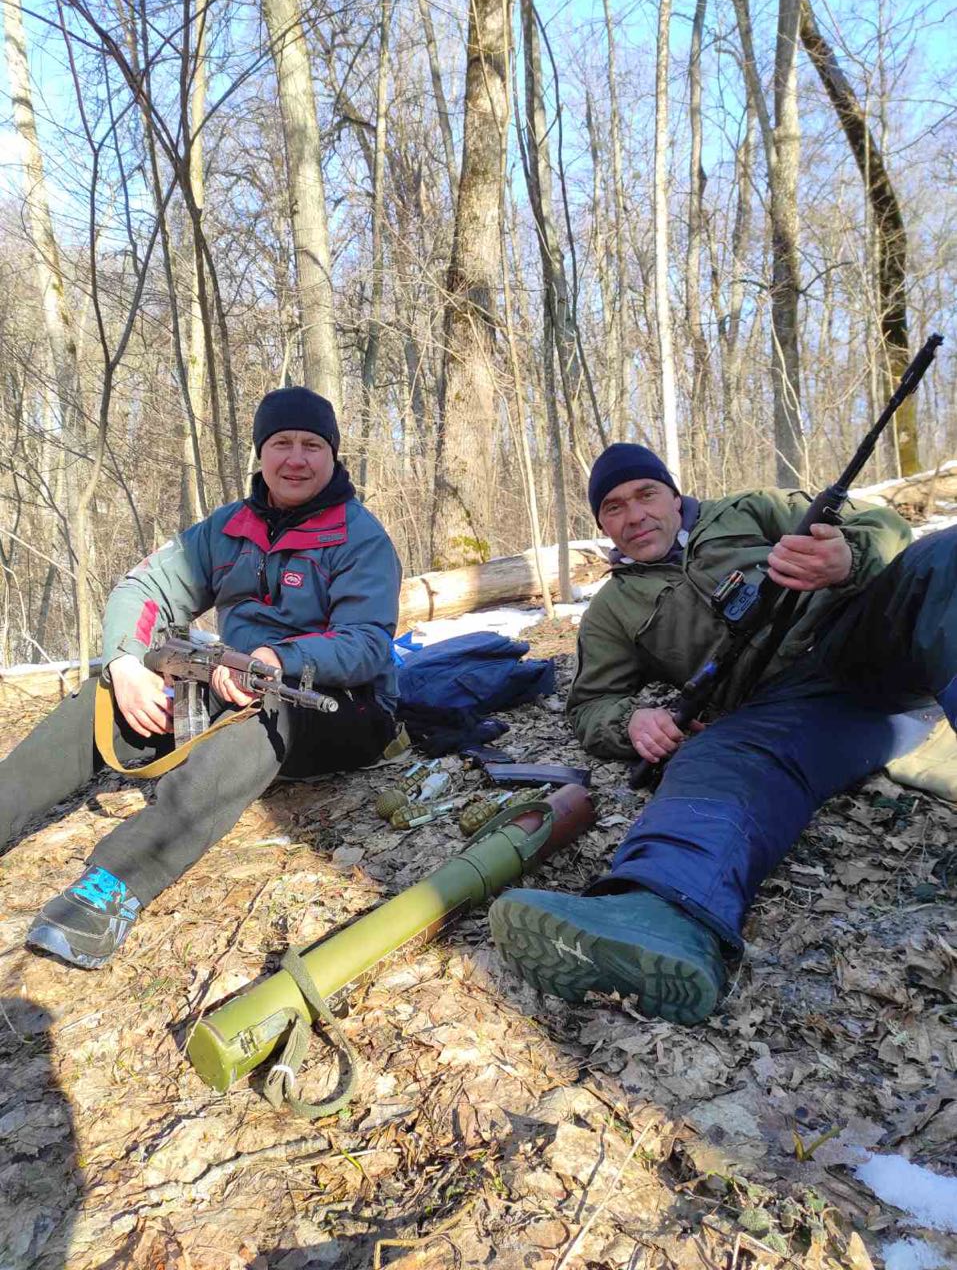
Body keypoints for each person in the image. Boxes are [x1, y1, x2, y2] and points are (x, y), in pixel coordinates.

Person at [490, 442, 957, 1024]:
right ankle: (660, 916)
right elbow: (590, 703)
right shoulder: (612, 608)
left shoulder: (752, 509)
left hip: (865, 636)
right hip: (791, 711)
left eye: (645, 494)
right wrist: (632, 722)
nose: (634, 516)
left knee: (947, 557)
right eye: (613, 507)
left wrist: (848, 558)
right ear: (602, 524)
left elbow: (880, 522)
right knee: (715, 756)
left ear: (673, 493)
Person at [0, 386, 403, 969]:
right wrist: (125, 665)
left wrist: (277, 659)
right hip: (230, 683)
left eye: (312, 445)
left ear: (333, 456)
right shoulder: (225, 529)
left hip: (340, 707)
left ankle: (113, 887)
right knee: (111, 693)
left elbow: (366, 644)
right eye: (281, 443)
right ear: (261, 454)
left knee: (268, 713)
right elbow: (143, 589)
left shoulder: (359, 536)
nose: (296, 458)